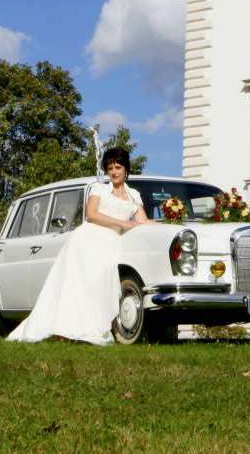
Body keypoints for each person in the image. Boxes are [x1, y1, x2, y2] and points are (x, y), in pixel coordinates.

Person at [8, 147, 151, 344]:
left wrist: (172, 221)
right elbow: (91, 215)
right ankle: (65, 330)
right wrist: (123, 223)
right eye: (110, 168)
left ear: (126, 169)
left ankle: (91, 329)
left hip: (111, 244)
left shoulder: (133, 194)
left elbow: (143, 221)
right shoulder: (98, 188)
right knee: (79, 286)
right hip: (87, 240)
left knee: (98, 286)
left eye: (118, 167)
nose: (114, 172)